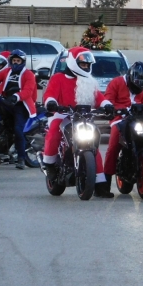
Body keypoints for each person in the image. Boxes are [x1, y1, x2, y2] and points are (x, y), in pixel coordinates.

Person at [42, 47, 109, 193]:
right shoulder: (58, 78)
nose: (86, 67)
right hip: (62, 114)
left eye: (87, 65)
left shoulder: (89, 81)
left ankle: (100, 183)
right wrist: (52, 103)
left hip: (84, 117)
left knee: (93, 144)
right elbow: (50, 94)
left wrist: (107, 105)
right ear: (73, 62)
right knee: (54, 130)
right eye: (83, 64)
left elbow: (98, 97)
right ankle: (50, 164)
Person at [100, 62, 143, 197]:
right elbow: (108, 100)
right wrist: (116, 109)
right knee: (113, 146)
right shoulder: (116, 83)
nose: (140, 87)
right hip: (119, 119)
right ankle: (105, 183)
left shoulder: (142, 89)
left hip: (138, 119)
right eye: (138, 83)